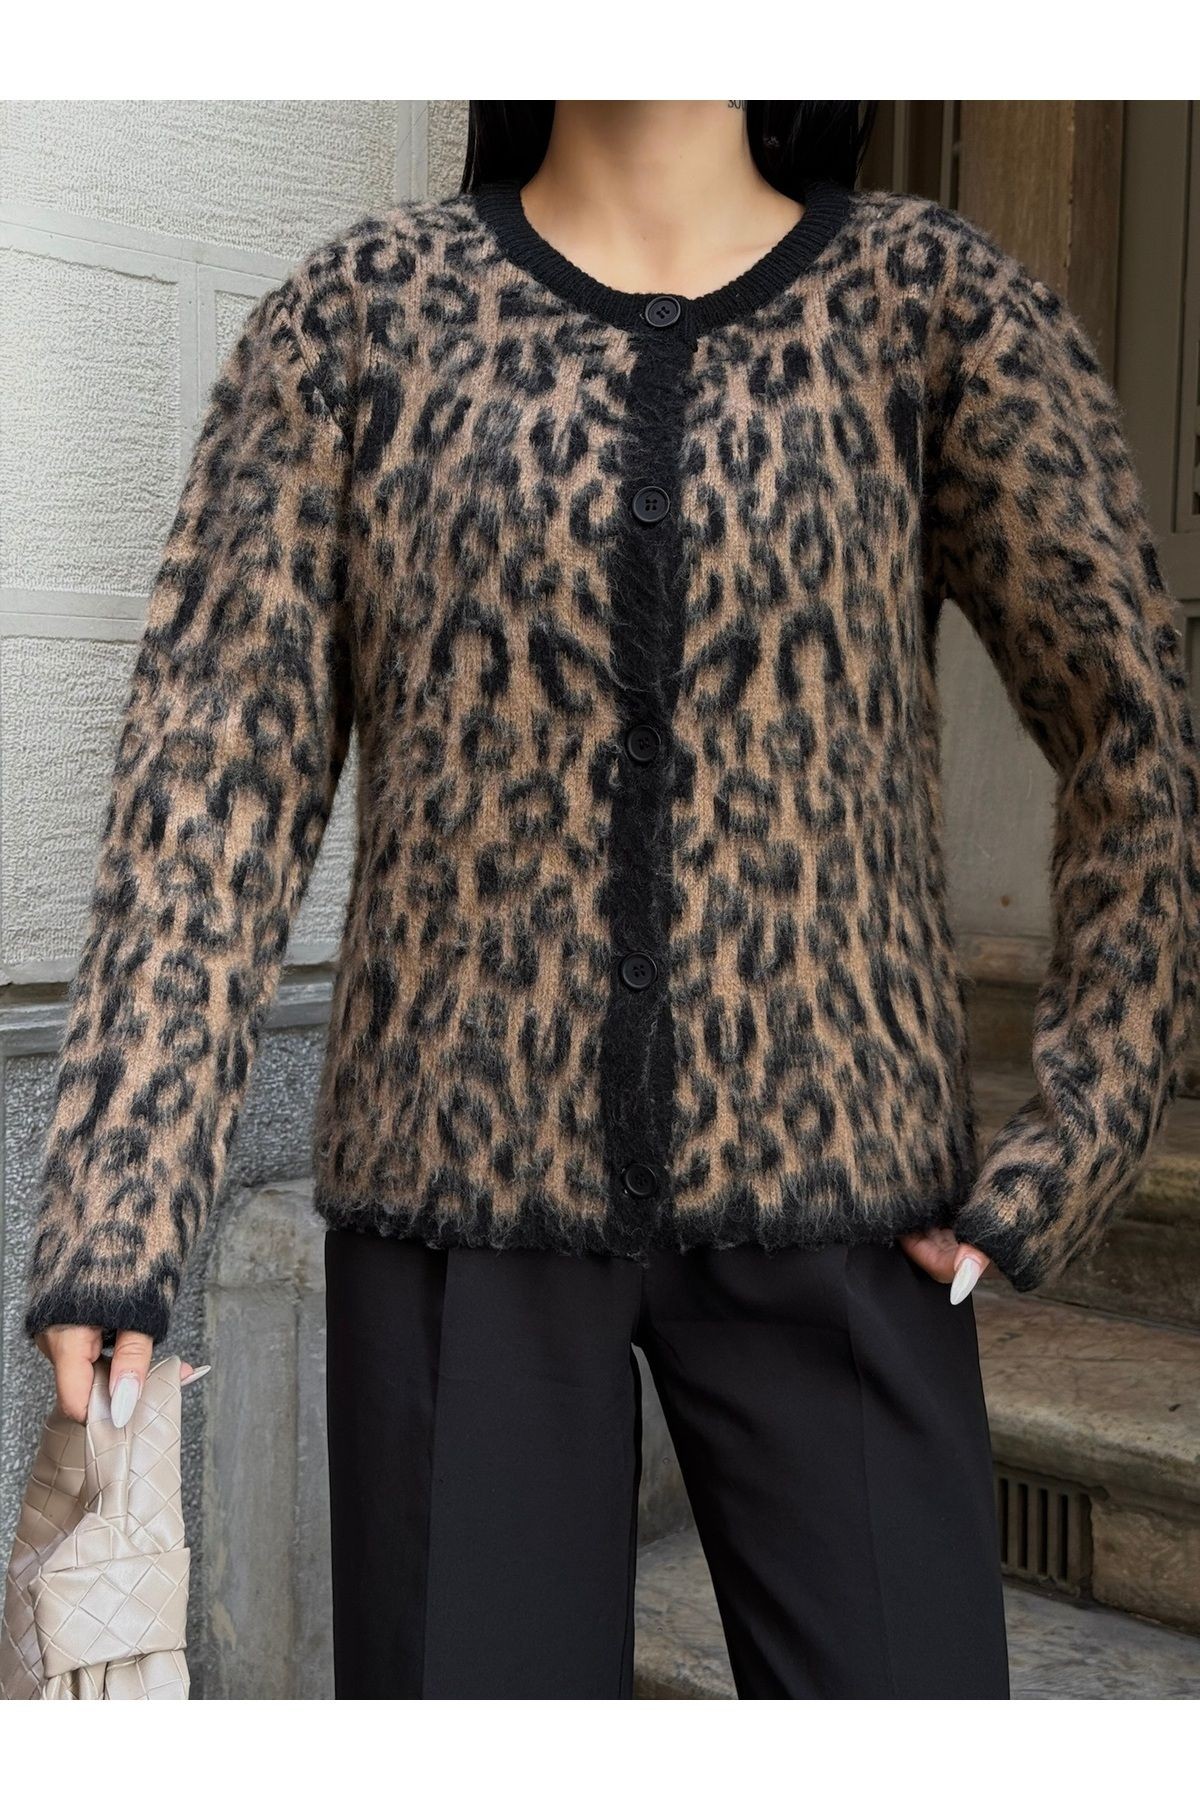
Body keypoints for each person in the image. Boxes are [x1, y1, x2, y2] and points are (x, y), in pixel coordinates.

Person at [25, 100, 1199, 1699]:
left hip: (846, 1203)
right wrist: (119, 1206)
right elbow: (212, 772)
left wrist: (1085, 1127)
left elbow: (1138, 725)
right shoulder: (357, 315)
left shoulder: (933, 304)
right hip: (459, 1204)